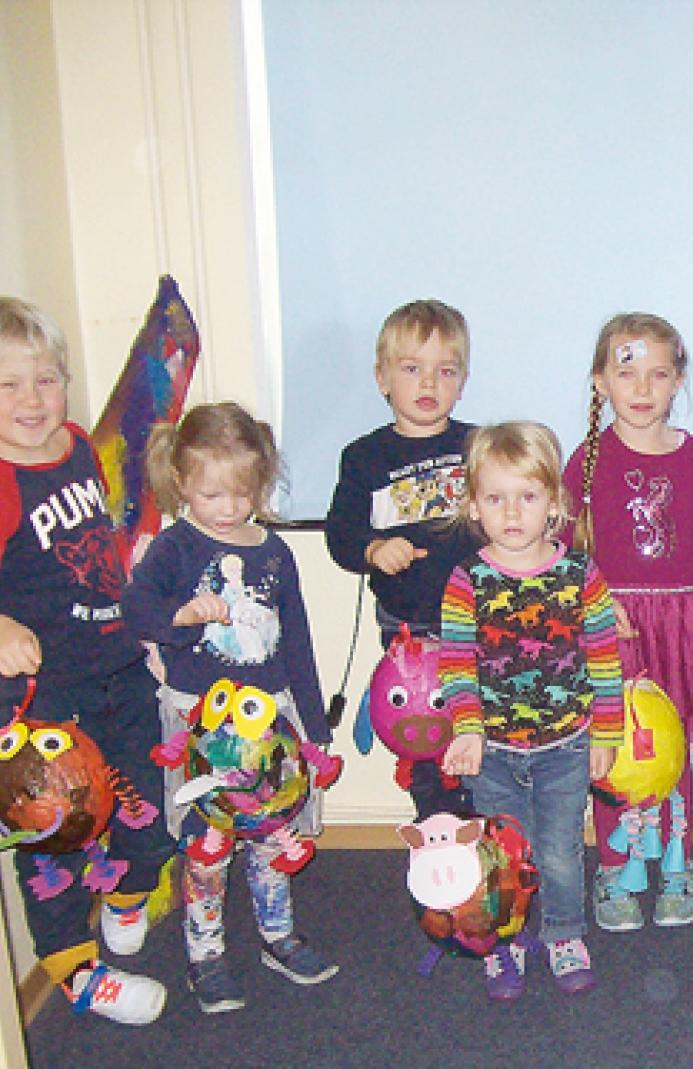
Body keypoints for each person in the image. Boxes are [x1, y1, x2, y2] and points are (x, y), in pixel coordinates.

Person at [123, 403, 337, 1013]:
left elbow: (296, 641)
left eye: (242, 493)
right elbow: (136, 609)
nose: (227, 507)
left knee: (272, 834)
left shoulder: (274, 553)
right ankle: (206, 954)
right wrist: (182, 617)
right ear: (181, 481)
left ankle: (277, 935)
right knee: (206, 844)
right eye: (212, 493)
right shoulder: (175, 548)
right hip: (201, 727)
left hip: (269, 722)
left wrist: (313, 729)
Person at [0, 296, 176, 1024]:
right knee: (56, 836)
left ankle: (128, 895)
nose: (31, 400)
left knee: (148, 808)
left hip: (118, 672)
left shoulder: (74, 445)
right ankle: (73, 970)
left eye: (46, 380)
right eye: (8, 385)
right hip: (45, 700)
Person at [438, 422, 622, 1000]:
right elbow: (456, 663)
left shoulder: (580, 575)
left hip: (565, 746)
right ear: (474, 506)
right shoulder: (468, 580)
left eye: (528, 496)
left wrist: (606, 735)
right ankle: (504, 940)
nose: (512, 512)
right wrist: (467, 730)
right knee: (500, 855)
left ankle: (565, 935)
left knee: (560, 852)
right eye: (496, 498)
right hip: (493, 751)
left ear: (555, 504)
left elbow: (604, 658)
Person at [562, 313, 693, 930]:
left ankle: (678, 861)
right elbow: (566, 556)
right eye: (627, 372)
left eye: (658, 374)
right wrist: (590, 614)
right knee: (615, 745)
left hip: (682, 629)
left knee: (672, 745)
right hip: (615, 630)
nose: (642, 388)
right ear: (600, 381)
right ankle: (616, 865)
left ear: (677, 381)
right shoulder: (585, 462)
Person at [326, 299, 478, 818]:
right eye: (412, 369)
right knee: (425, 741)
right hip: (408, 627)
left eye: (446, 371)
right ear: (382, 379)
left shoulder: (478, 447)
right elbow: (340, 534)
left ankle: (488, 840)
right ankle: (437, 834)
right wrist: (372, 548)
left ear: (462, 382)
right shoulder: (364, 457)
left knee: (481, 738)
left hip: (477, 620)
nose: (429, 383)